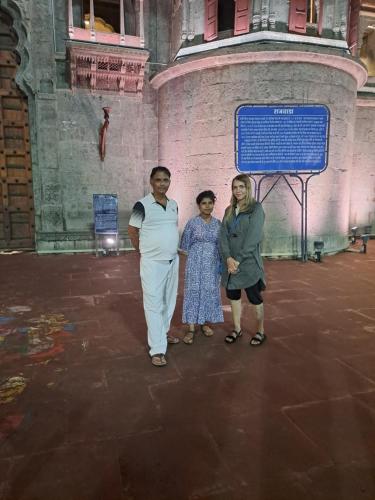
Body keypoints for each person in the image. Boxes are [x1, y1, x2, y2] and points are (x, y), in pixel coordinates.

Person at [128, 166, 180, 367]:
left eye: (166, 180)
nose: (162, 184)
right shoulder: (141, 205)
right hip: (152, 263)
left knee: (169, 301)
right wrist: (142, 252)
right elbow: (132, 231)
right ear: (151, 181)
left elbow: (171, 228)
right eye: (158, 180)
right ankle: (157, 349)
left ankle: (162, 334)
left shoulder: (174, 204)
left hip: (172, 261)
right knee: (153, 304)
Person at [220, 174, 266, 346]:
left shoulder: (256, 209)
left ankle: (260, 331)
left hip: (247, 262)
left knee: (254, 297)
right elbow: (222, 235)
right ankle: (237, 329)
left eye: (242, 187)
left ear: (248, 188)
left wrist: (238, 259)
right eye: (235, 187)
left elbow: (254, 238)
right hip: (230, 263)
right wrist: (228, 258)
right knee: (233, 295)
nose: (238, 190)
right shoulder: (229, 210)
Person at [180, 190, 224, 344]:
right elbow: (184, 246)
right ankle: (191, 328)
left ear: (213, 204)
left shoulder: (218, 223)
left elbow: (221, 245)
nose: (207, 206)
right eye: (204, 203)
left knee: (209, 291)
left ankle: (205, 323)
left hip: (212, 264)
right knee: (193, 292)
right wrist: (195, 259)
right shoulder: (192, 223)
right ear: (198, 205)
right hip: (195, 264)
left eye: (210, 203)